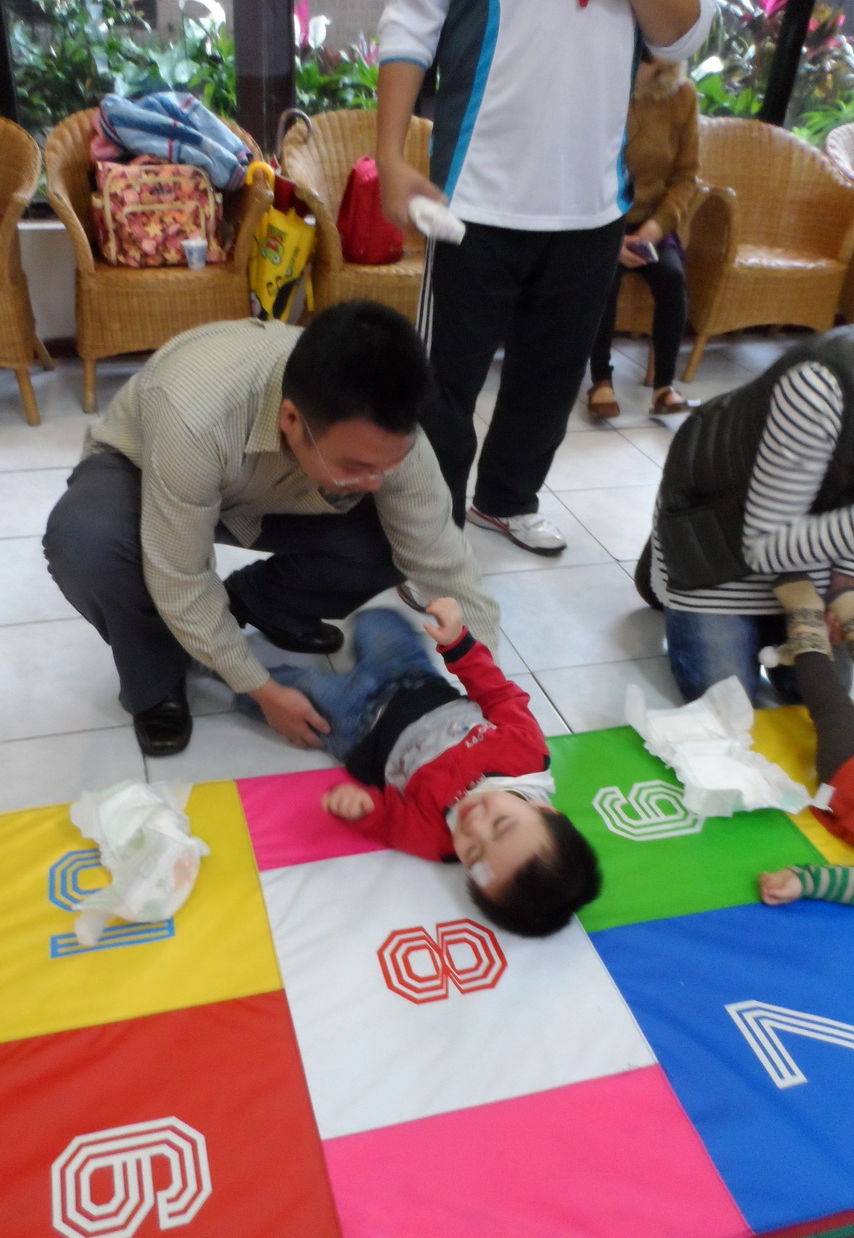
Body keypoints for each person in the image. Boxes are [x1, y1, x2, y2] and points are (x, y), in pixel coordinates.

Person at [43, 301, 499, 758]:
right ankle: (160, 671)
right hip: (146, 473)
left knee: (395, 539)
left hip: (265, 489)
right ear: (291, 420)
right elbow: (179, 574)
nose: (376, 481)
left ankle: (262, 605)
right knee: (89, 543)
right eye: (356, 466)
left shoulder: (382, 428)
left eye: (389, 465)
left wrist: (489, 690)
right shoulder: (195, 415)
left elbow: (440, 556)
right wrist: (262, 690)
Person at [375, 0, 715, 547]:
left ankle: (507, 500)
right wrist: (389, 156)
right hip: (475, 196)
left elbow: (680, 38)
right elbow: (410, 25)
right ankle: (428, 538)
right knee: (443, 386)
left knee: (551, 381)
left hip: (593, 205)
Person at [235, 598, 601, 937]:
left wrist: (359, 810)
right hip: (416, 679)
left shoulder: (437, 840)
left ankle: (220, 664)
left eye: (472, 853)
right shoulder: (527, 754)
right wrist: (459, 645)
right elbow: (498, 694)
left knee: (289, 688)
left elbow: (389, 823)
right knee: (378, 620)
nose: (474, 825)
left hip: (357, 723)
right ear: (543, 810)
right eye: (501, 824)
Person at [638, 326, 854, 703]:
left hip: (806, 537)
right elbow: (762, 547)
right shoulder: (818, 386)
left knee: (817, 690)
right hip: (718, 540)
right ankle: (663, 557)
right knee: (725, 696)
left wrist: (845, 585)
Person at [587, 52, 700, 420]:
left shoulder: (683, 96)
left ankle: (663, 386)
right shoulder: (600, 83)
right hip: (601, 218)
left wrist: (657, 226)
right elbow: (581, 167)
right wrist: (610, 236)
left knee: (672, 277)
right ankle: (600, 380)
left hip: (653, 224)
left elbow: (685, 177)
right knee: (603, 277)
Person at [757, 574, 854, 910]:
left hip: (848, 769)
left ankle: (807, 621)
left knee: (832, 708)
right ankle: (844, 613)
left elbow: (845, 883)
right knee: (833, 707)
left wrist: (803, 880)